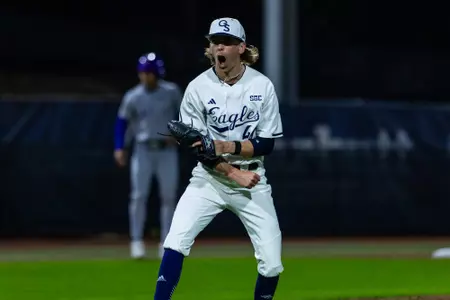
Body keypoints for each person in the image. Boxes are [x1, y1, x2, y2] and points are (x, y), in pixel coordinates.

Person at [153, 18, 284, 300]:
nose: (218, 47)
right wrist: (234, 173)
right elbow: (199, 149)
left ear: (241, 48)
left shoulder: (262, 86)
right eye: (214, 42)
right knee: (175, 242)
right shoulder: (197, 88)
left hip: (254, 181)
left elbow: (267, 143)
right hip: (209, 178)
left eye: (225, 41)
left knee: (272, 265)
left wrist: (227, 145)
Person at [114, 52, 182, 259]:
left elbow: (185, 114)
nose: (146, 77)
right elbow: (122, 122)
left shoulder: (171, 92)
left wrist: (178, 134)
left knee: (168, 197)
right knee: (138, 196)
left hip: (167, 150)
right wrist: (119, 147)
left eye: (149, 73)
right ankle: (136, 241)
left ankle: (167, 241)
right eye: (143, 73)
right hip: (142, 149)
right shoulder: (133, 96)